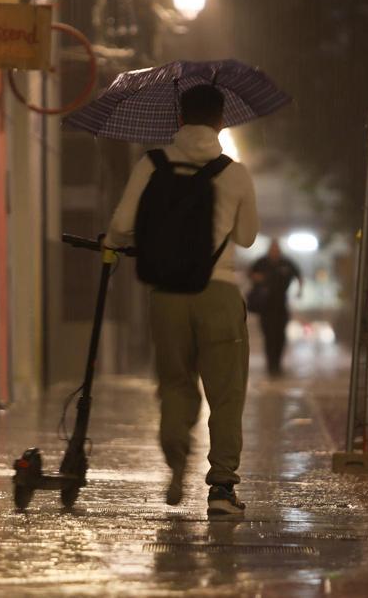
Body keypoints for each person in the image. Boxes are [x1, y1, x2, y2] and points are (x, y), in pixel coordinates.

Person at [105, 84, 258, 516]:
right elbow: (246, 237)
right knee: (226, 394)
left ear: (178, 119)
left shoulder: (151, 164)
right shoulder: (234, 172)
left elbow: (120, 226)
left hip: (167, 296)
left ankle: (176, 466)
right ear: (221, 121)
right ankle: (222, 490)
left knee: (174, 385)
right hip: (219, 293)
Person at [249, 241, 303, 375]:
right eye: (272, 249)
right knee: (268, 336)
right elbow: (251, 275)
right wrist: (259, 279)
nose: (275, 251)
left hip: (281, 306)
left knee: (280, 336)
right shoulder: (261, 262)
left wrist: (299, 291)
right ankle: (271, 364)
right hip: (266, 307)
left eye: (276, 249)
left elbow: (298, 275)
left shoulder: (286, 263)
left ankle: (277, 364)